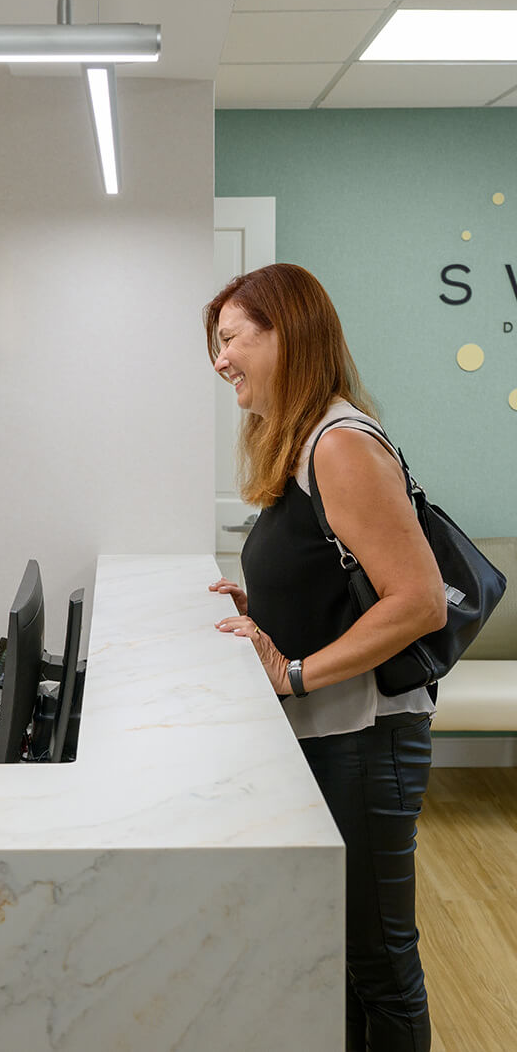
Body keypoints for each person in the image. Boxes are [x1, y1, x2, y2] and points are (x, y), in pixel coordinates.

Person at [204, 263, 445, 1052]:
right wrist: (263, 613)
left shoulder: (338, 443)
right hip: (331, 735)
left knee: (379, 962)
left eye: (232, 338)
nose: (220, 360)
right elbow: (335, 576)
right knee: (337, 955)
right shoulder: (302, 444)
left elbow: (418, 600)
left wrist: (295, 671)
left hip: (366, 739)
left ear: (287, 333)